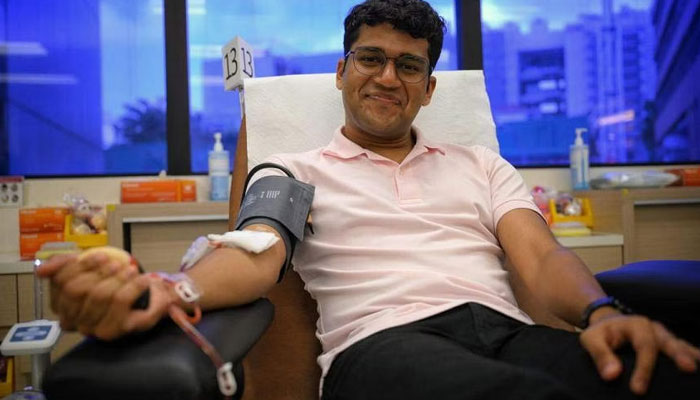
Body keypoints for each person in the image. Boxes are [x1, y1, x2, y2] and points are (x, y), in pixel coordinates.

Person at [38, 1, 699, 399]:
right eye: (371, 58)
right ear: (341, 72)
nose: (388, 77)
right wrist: (173, 289)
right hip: (381, 349)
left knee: (655, 377)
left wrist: (601, 312)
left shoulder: (483, 165)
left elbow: (539, 257)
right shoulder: (292, 169)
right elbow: (257, 249)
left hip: (502, 333)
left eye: (408, 65)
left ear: (429, 88)